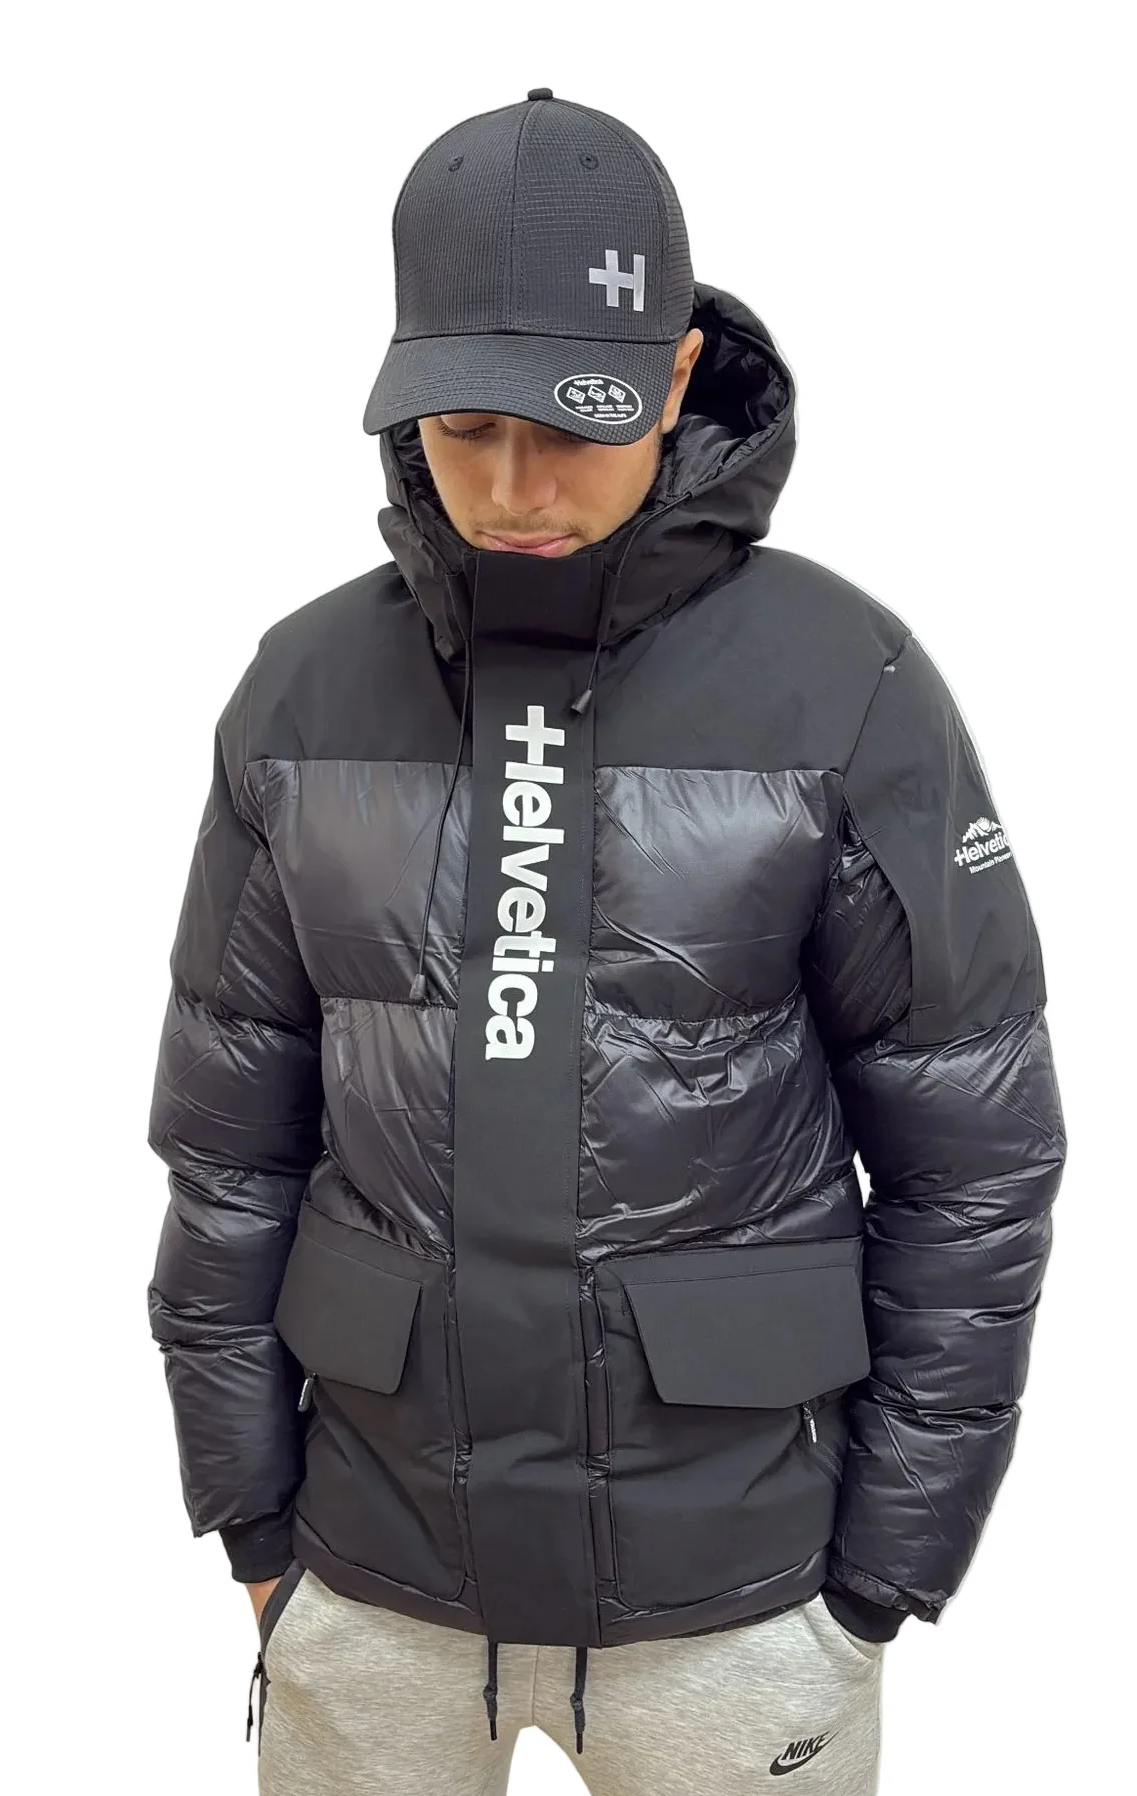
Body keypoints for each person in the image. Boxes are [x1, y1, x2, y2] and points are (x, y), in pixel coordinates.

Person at [145, 89, 1067, 1796]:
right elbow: (227, 1147)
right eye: (465, 426)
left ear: (673, 373)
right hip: (368, 1585)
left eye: (571, 425)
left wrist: (880, 1581)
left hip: (737, 1602)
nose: (514, 489)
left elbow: (975, 1158)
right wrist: (251, 1521)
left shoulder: (845, 686)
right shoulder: (302, 691)